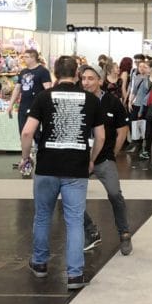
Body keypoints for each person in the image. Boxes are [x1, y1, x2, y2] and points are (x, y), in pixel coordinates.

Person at [21, 55, 106, 290]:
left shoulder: (43, 97)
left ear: (55, 74)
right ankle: (75, 274)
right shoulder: (91, 100)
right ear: (77, 74)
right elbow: (100, 136)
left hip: (47, 166)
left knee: (42, 216)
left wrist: (25, 157)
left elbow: (27, 132)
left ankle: (39, 263)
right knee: (75, 221)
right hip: (76, 168)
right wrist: (91, 160)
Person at [78, 65, 133, 256]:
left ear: (100, 81)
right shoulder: (77, 99)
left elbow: (122, 130)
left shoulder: (111, 102)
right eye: (83, 78)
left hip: (104, 158)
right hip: (80, 158)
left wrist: (113, 153)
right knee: (70, 197)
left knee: (115, 194)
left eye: (90, 78)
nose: (86, 82)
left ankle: (124, 233)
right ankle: (90, 230)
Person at [10, 49, 52, 176]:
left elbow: (48, 90)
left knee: (38, 135)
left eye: (27, 56)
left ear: (34, 58)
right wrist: (10, 105)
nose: (24, 59)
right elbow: (17, 89)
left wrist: (48, 107)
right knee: (23, 134)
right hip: (23, 107)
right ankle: (26, 161)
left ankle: (41, 160)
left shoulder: (43, 71)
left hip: (38, 109)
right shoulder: (23, 72)